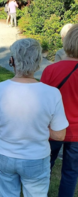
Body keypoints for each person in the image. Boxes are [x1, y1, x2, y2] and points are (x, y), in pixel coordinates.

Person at [0, 38, 68, 197]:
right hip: (36, 157)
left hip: (4, 154)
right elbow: (59, 134)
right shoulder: (52, 93)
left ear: (12, 61)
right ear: (38, 63)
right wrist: (36, 127)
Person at [41, 24, 78, 197]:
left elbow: (42, 103)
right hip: (76, 132)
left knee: (45, 167)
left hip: (52, 129)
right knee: (71, 173)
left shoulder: (51, 70)